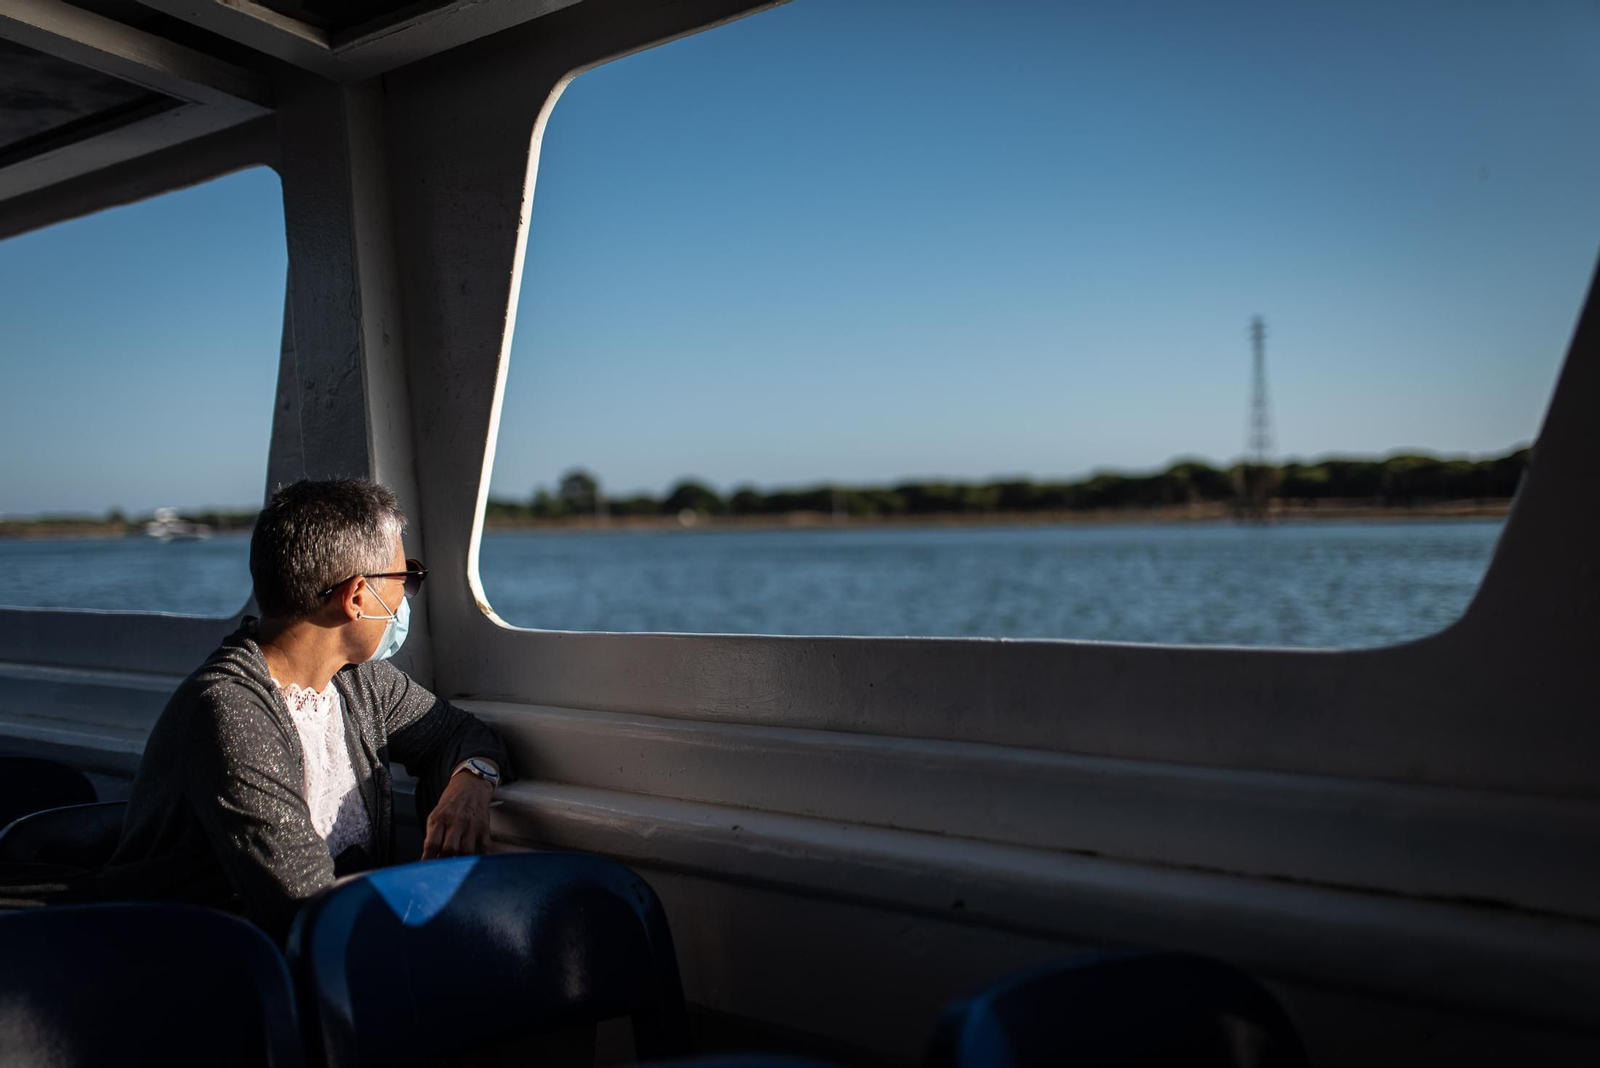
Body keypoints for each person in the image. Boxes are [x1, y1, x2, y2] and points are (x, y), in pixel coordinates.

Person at [92, 477, 514, 939]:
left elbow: (459, 733)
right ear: (357, 597)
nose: (405, 596)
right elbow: (308, 906)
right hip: (200, 971)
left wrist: (471, 782)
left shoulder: (356, 680)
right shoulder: (230, 711)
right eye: (405, 578)